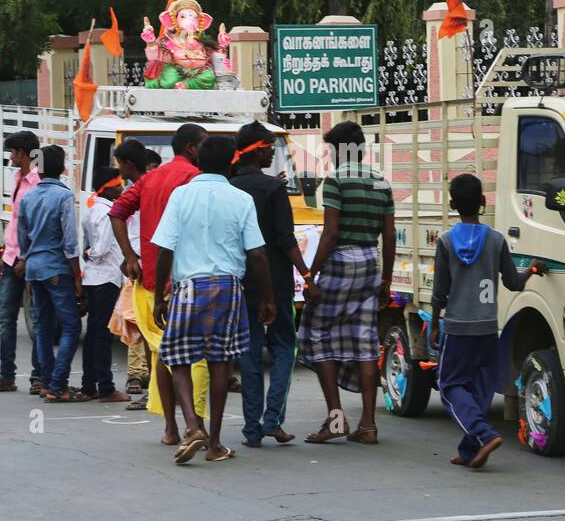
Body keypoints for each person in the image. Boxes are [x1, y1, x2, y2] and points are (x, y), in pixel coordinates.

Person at [152, 134, 275, 463]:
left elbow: (164, 248)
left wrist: (159, 295)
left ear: (197, 161)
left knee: (177, 359)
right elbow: (258, 254)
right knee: (221, 362)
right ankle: (215, 443)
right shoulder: (240, 199)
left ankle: (192, 425)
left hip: (188, 285)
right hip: (227, 285)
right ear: (232, 162)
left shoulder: (180, 196)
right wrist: (267, 297)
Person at [429, 174, 544, 469]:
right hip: (487, 327)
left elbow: (440, 291)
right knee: (478, 387)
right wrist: (531, 269)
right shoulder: (496, 240)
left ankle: (483, 433)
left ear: (452, 204)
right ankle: (470, 451)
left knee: (449, 384)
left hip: (457, 327)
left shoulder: (446, 241)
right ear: (483, 202)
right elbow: (515, 283)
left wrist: (433, 324)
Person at [110, 124, 210, 444]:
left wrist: (130, 256)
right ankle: (197, 425)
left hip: (151, 280)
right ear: (193, 148)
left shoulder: (150, 179)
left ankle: (171, 429)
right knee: (198, 357)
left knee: (163, 356)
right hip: (189, 279)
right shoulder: (195, 179)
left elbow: (117, 213)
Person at [298, 120, 395, 445]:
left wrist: (312, 274)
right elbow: (390, 233)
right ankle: (368, 423)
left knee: (318, 335)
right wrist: (386, 279)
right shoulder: (380, 180)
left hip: (341, 260)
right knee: (366, 340)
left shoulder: (336, 180)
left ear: (338, 150)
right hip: (370, 260)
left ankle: (335, 419)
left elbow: (331, 232)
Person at [231, 121, 309, 447]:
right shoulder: (273, 189)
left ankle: (251, 429)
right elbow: (285, 238)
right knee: (283, 350)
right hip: (276, 284)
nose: (272, 154)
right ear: (261, 149)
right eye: (270, 148)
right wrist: (306, 274)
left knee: (248, 354)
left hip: (240, 283)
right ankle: (272, 420)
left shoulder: (230, 187)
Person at [0, 131, 45, 395]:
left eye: (13, 153)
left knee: (37, 320)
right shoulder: (17, 179)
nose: (11, 158)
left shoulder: (38, 182)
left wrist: (26, 259)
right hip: (10, 258)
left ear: (22, 153)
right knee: (6, 321)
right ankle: (6, 376)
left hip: (29, 261)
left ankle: (38, 376)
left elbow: (39, 226)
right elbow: (16, 222)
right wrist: (6, 252)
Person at [17, 144, 85, 402]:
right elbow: (70, 242)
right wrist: (77, 275)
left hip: (34, 266)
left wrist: (28, 261)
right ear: (63, 168)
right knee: (70, 326)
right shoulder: (64, 197)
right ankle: (58, 384)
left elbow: (22, 238)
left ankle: (47, 381)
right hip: (56, 267)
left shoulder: (29, 196)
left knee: (44, 326)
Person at [80, 168, 128, 402]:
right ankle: (106, 387)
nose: (122, 188)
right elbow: (101, 247)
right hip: (106, 277)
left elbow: (87, 243)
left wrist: (89, 253)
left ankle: (89, 385)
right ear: (108, 188)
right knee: (103, 334)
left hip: (93, 277)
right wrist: (93, 254)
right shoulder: (109, 212)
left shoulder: (91, 210)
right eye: (118, 184)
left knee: (93, 333)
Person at [114, 140, 152, 400]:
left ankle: (150, 377)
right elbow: (118, 221)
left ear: (128, 164)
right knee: (134, 318)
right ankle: (137, 373)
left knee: (148, 320)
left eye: (120, 164)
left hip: (150, 261)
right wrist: (128, 257)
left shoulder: (148, 188)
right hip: (136, 262)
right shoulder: (130, 192)